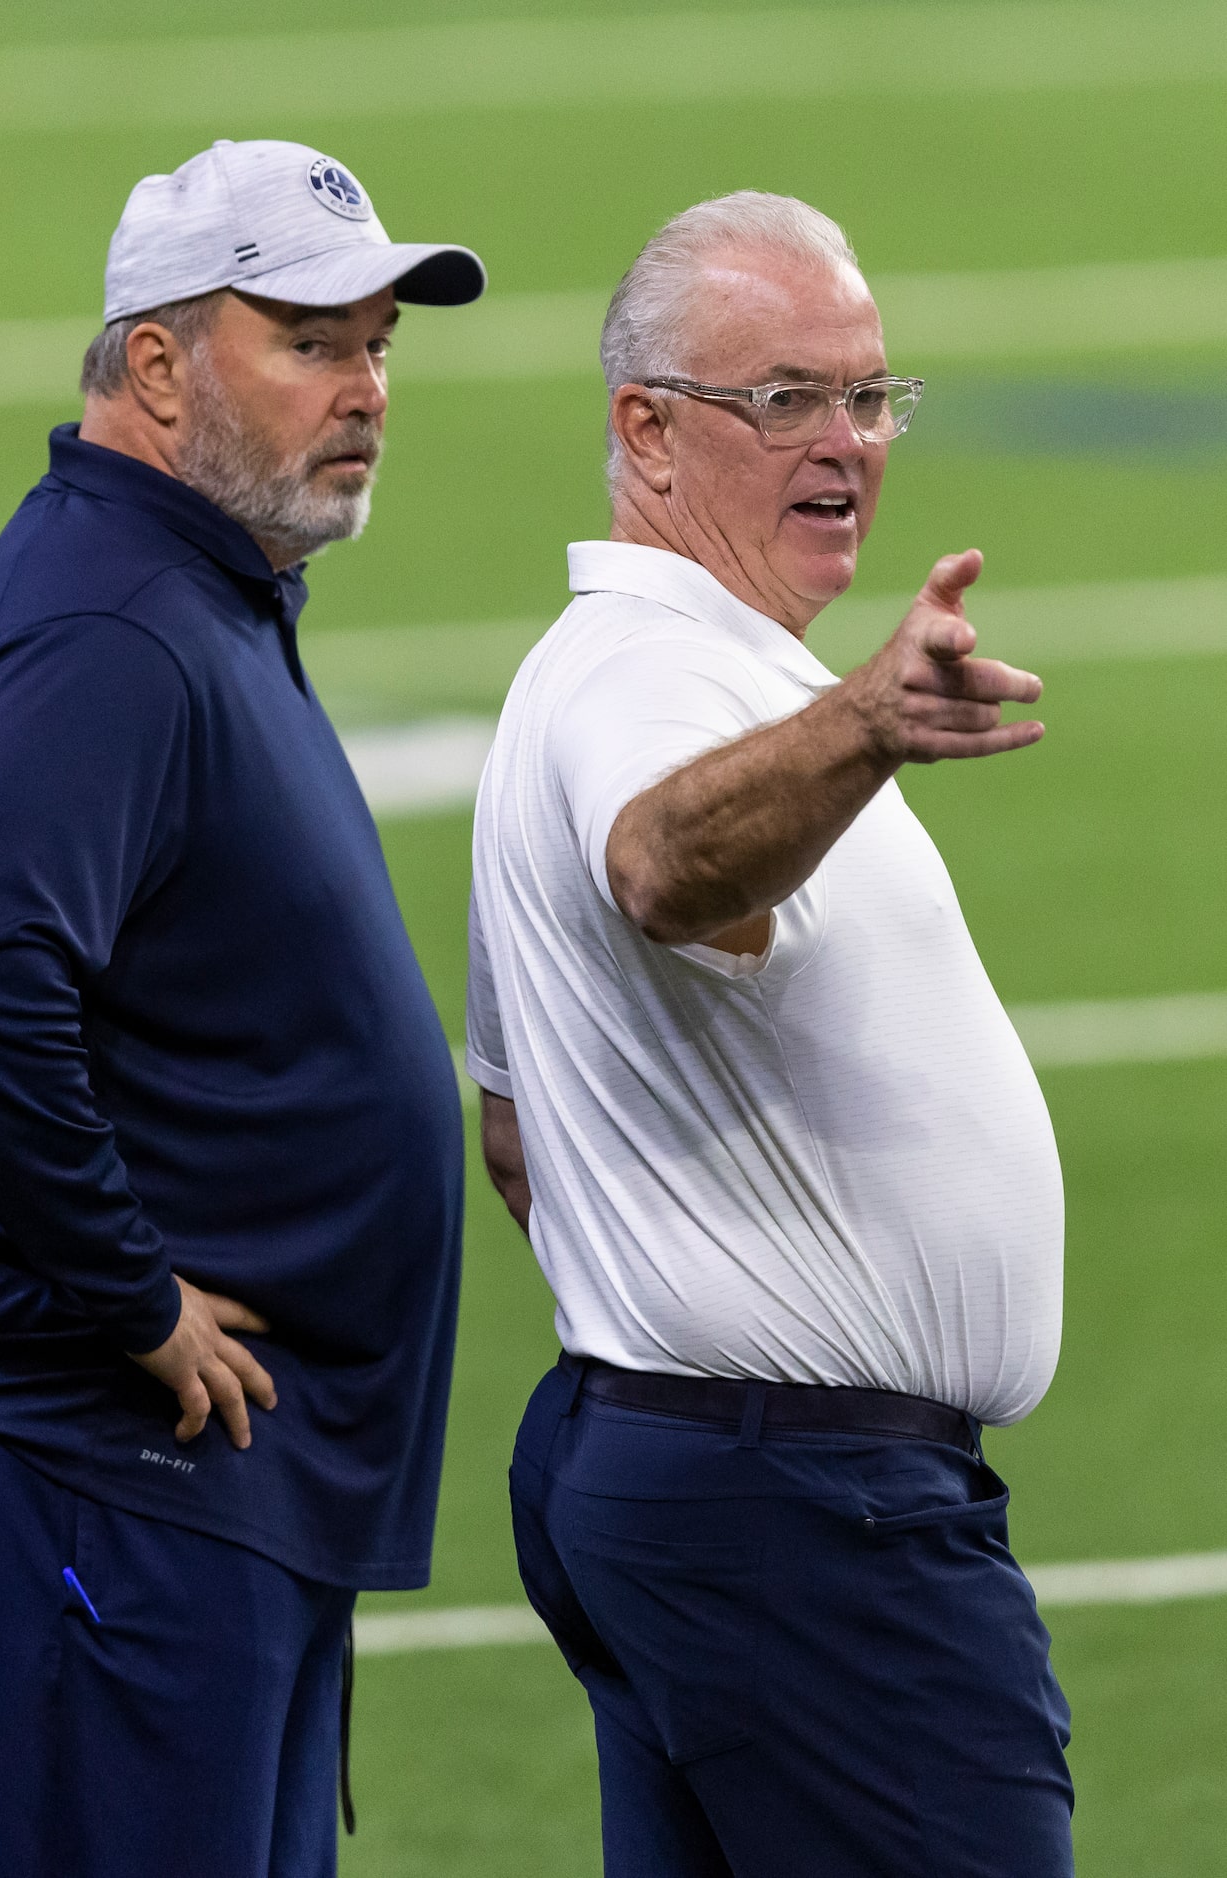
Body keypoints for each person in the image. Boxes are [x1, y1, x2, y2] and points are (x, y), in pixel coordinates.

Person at [0, 139, 484, 1878]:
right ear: (157, 363)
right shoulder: (115, 627)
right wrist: (129, 1294)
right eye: (309, 342)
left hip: (198, 1489)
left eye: (377, 344)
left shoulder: (190, 592)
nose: (364, 389)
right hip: (117, 1473)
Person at [466, 192, 1073, 1877]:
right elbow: (666, 864)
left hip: (702, 1472)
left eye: (871, 396)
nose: (849, 445)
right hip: (803, 1521)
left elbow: (517, 1134)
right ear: (644, 431)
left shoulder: (632, 674)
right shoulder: (652, 681)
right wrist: (870, 722)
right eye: (785, 398)